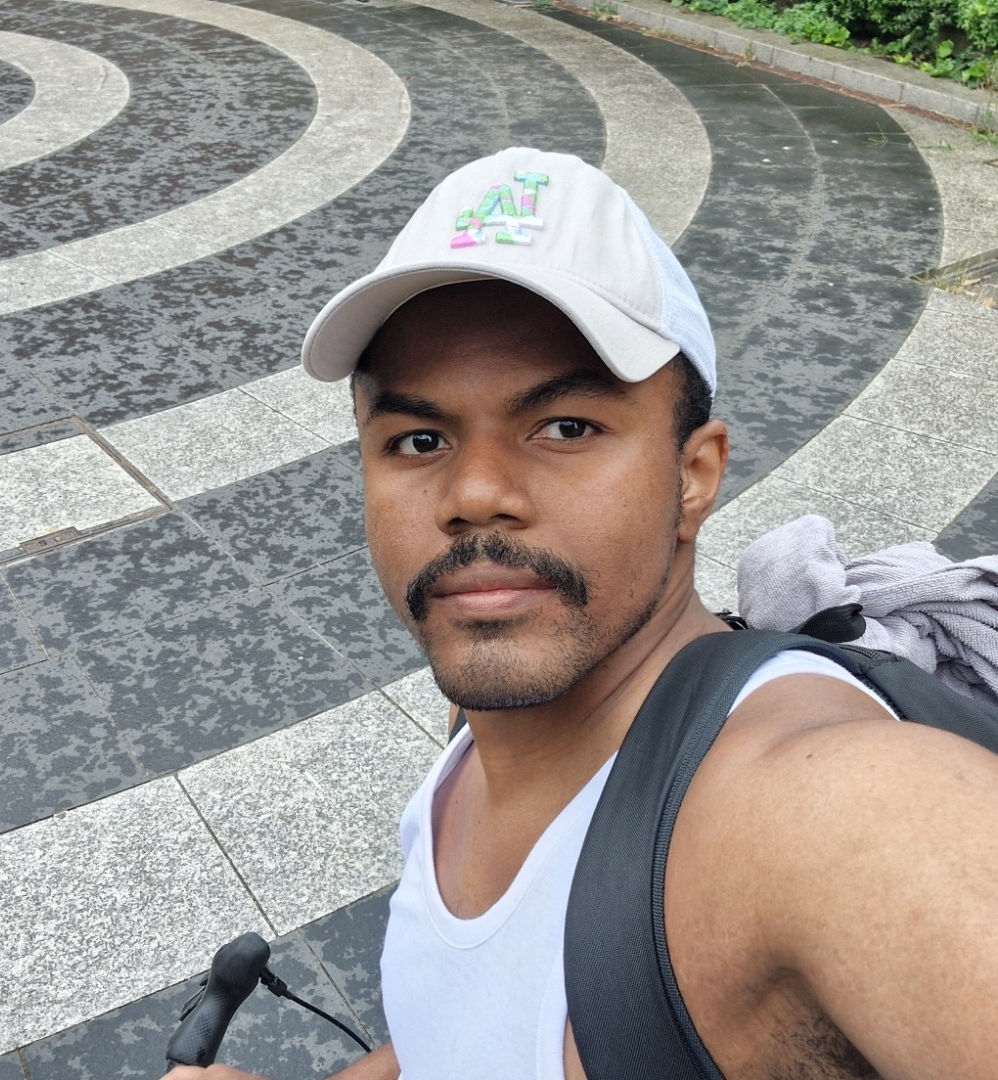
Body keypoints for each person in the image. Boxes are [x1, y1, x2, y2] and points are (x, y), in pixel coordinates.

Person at [163, 148, 998, 1080]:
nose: (474, 493)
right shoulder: (482, 718)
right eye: (420, 439)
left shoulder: (826, 812)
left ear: (694, 475)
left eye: (566, 428)